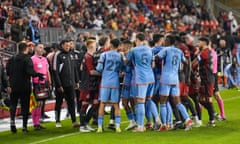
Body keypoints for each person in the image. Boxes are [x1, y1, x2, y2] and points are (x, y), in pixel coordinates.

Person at [155, 35, 193, 131]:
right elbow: (186, 62)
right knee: (178, 102)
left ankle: (164, 125)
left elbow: (157, 57)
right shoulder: (179, 51)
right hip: (175, 79)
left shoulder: (166, 50)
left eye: (165, 40)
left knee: (163, 102)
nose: (164, 42)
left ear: (168, 41)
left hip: (166, 78)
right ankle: (188, 119)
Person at [6, 42, 44, 133]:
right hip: (24, 85)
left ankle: (12, 122)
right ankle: (24, 126)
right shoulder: (27, 59)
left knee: (13, 104)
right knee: (25, 106)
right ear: (26, 49)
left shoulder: (11, 59)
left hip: (13, 85)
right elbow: (30, 71)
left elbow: (7, 71)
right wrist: (38, 74)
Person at [126, 33, 160, 132]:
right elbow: (153, 65)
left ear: (136, 39)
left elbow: (127, 61)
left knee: (140, 102)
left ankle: (140, 126)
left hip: (141, 79)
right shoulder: (150, 49)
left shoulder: (133, 50)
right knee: (149, 100)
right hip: (151, 77)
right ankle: (157, 120)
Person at [96, 38, 124, 133]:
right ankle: (118, 127)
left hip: (105, 82)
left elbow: (99, 68)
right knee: (116, 104)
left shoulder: (104, 55)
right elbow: (122, 68)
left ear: (111, 45)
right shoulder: (120, 56)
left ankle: (100, 127)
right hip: (115, 82)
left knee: (102, 104)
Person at [52, 39, 80, 128]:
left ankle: (74, 121)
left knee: (72, 102)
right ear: (62, 45)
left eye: (69, 45)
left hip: (71, 83)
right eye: (66, 45)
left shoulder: (71, 54)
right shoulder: (58, 55)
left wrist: (76, 80)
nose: (68, 47)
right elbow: (55, 71)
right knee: (59, 102)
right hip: (61, 85)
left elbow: (75, 68)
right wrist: (59, 85)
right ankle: (57, 120)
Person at [192, 37, 216, 126]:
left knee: (207, 99)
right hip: (206, 78)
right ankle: (213, 114)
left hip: (207, 78)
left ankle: (212, 119)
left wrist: (190, 67)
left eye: (199, 42)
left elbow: (195, 63)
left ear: (204, 43)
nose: (198, 43)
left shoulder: (204, 53)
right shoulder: (207, 52)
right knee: (201, 99)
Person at [79, 38, 99, 132]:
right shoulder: (87, 57)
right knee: (85, 104)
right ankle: (82, 126)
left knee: (95, 103)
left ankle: (86, 123)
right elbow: (91, 72)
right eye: (95, 45)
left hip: (93, 84)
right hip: (87, 84)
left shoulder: (91, 57)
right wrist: (104, 73)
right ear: (91, 46)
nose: (96, 47)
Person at [31, 43, 51, 130]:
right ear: (35, 49)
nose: (42, 49)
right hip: (36, 83)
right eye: (40, 47)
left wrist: (49, 81)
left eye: (42, 48)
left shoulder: (45, 59)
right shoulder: (32, 59)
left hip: (44, 83)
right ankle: (35, 122)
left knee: (42, 103)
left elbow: (47, 71)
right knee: (37, 103)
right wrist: (31, 83)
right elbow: (30, 73)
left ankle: (38, 121)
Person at [120, 40, 137, 130]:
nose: (121, 47)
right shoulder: (125, 55)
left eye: (122, 45)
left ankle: (137, 121)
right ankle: (132, 121)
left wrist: (123, 57)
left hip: (132, 81)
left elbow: (128, 66)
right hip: (126, 81)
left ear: (127, 46)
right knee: (124, 102)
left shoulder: (132, 54)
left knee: (134, 102)